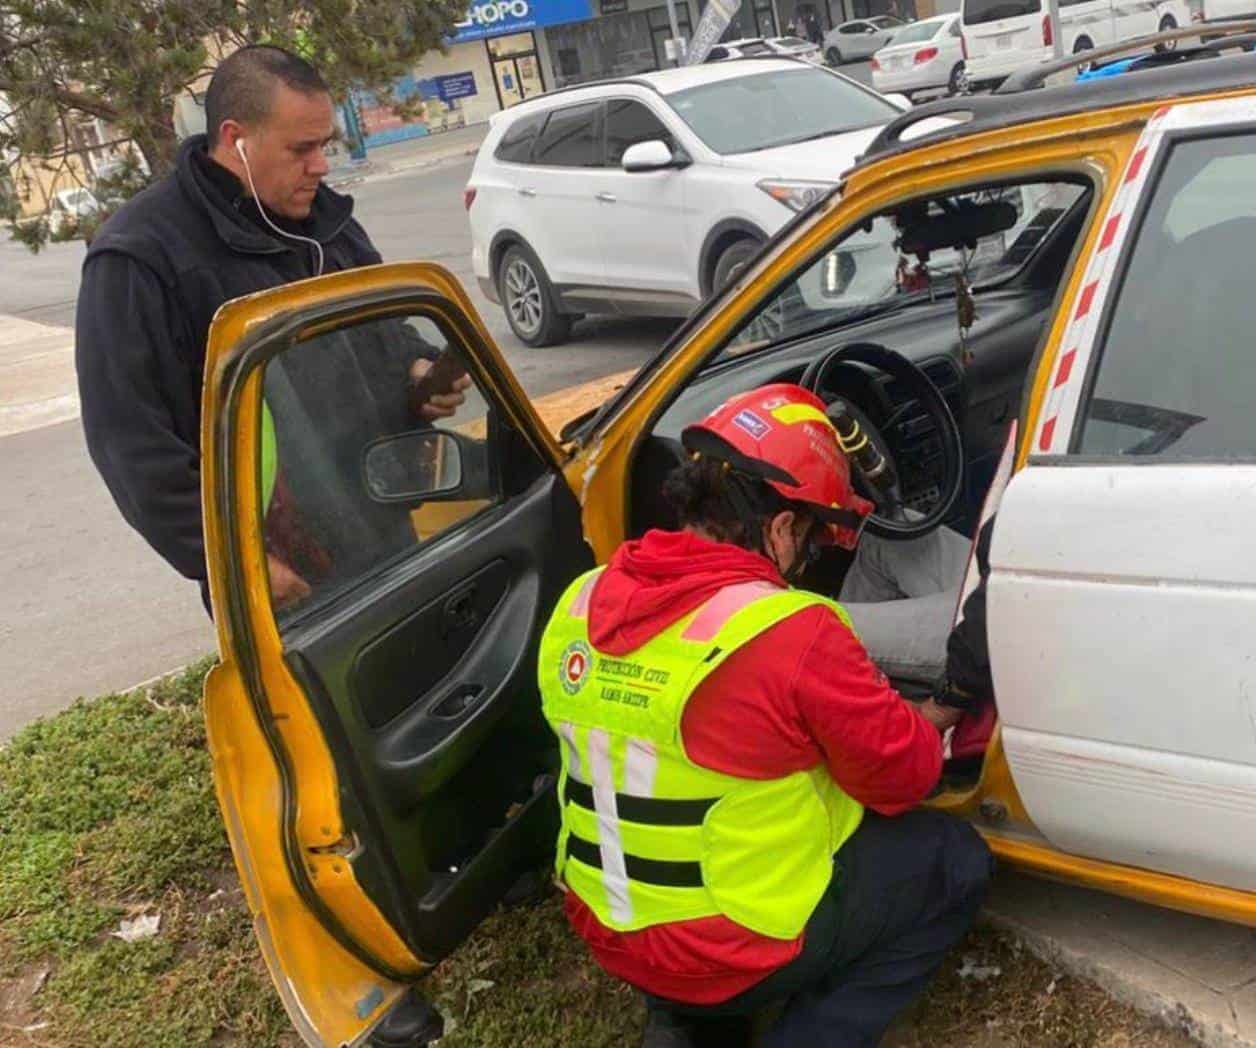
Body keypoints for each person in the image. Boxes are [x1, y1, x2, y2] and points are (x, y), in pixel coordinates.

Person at [538, 384, 994, 1048]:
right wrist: (943, 707)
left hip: (610, 925)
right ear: (781, 528)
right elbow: (903, 780)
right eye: (813, 543)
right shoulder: (791, 631)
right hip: (732, 946)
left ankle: (687, 1021)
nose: (810, 564)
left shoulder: (578, 602)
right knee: (952, 862)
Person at [75, 44, 468, 614]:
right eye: (301, 149)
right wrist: (239, 559)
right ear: (236, 138)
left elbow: (384, 331)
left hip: (380, 522)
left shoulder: (326, 224)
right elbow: (133, 446)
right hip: (277, 575)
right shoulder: (141, 258)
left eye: (325, 145)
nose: (322, 166)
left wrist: (417, 368)